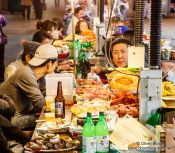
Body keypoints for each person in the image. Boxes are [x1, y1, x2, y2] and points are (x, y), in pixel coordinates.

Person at [0, 44, 58, 130]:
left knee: (51, 117)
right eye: (56, 63)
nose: (56, 66)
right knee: (50, 120)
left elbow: (47, 95)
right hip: (12, 118)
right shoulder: (26, 74)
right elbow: (40, 104)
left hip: (25, 112)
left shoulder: (39, 75)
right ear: (49, 64)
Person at [0, 14, 7, 83]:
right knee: (1, 59)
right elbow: (4, 24)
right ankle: (2, 77)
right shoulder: (1, 17)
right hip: (1, 42)